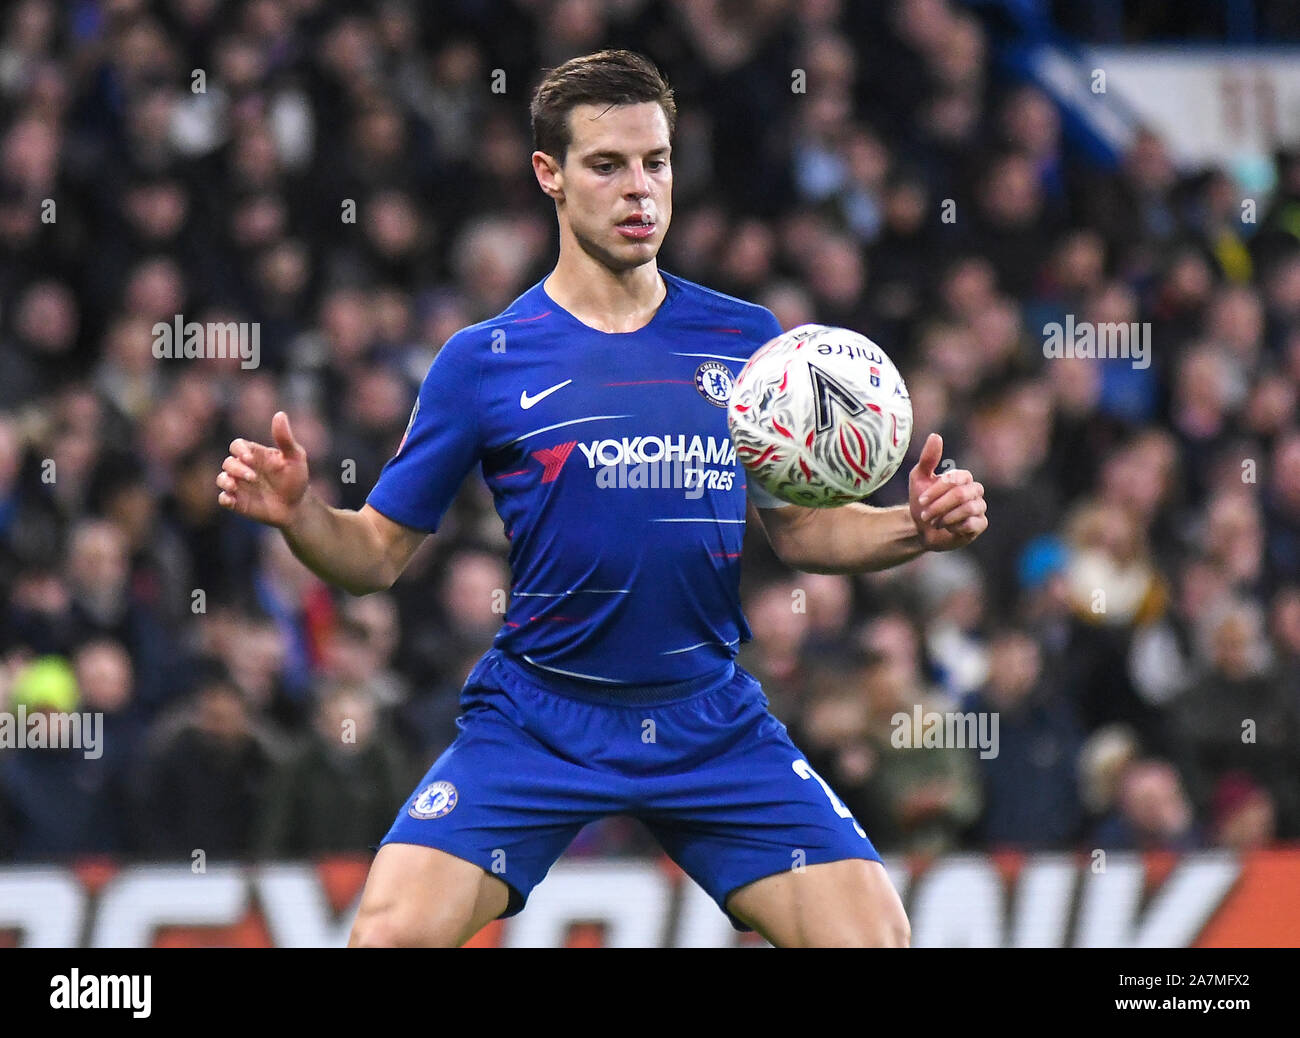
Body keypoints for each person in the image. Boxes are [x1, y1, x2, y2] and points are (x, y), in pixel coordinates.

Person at [215, 50, 988, 947]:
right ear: (549, 174)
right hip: (540, 718)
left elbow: (803, 530)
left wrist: (912, 526)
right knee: (386, 937)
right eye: (607, 165)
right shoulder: (486, 360)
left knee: (877, 943)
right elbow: (375, 555)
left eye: (655, 163)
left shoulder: (746, 342)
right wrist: (302, 517)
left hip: (709, 720)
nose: (639, 191)